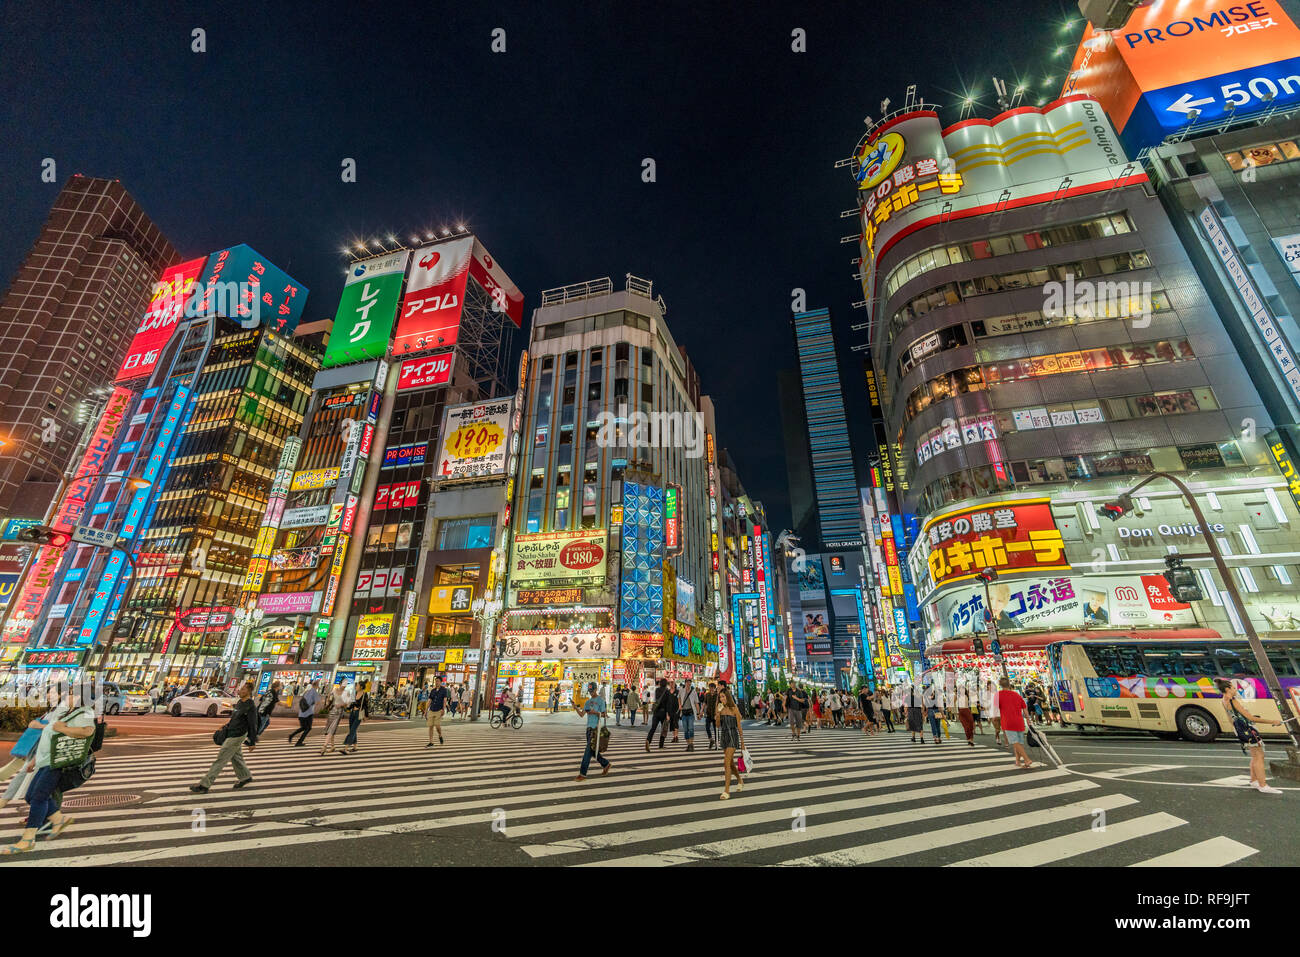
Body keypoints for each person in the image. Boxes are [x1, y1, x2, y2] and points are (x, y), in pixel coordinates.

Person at [2, 681, 95, 854]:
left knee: (38, 796)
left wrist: (63, 728)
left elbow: (88, 731)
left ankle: (28, 839)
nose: (67, 697)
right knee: (31, 795)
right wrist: (35, 760)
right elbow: (50, 737)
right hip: (45, 759)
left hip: (60, 762)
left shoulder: (85, 712)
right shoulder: (68, 712)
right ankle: (59, 819)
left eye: (71, 694)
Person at [1216, 677, 1285, 793]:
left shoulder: (1224, 700)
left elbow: (1230, 718)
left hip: (1241, 730)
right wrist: (1273, 721)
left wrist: (1236, 730)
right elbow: (1250, 718)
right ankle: (1263, 786)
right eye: (1233, 687)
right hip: (1249, 729)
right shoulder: (1233, 701)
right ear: (1227, 689)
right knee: (1259, 756)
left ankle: (1254, 781)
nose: (1235, 689)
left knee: (1255, 755)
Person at [191, 682, 258, 793]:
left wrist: (252, 741)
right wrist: (226, 726)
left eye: (242, 689)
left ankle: (204, 784)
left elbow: (252, 724)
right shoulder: (240, 702)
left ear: (248, 691)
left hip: (238, 735)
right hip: (231, 732)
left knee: (221, 759)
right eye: (240, 689)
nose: (239, 691)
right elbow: (235, 718)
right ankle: (245, 776)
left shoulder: (250, 706)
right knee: (236, 757)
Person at [574, 681, 612, 781]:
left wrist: (595, 713)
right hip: (588, 729)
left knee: (587, 752)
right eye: (590, 691)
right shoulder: (587, 702)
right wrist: (575, 708)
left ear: (596, 689)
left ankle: (582, 774)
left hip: (596, 730)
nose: (591, 692)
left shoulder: (600, 701)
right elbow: (582, 714)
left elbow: (604, 715)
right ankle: (606, 764)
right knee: (592, 751)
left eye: (592, 690)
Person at [997, 677, 1034, 769]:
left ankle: (1026, 759)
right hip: (1019, 721)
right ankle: (1017, 761)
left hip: (1008, 721)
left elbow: (995, 709)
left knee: (1014, 742)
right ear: (1009, 684)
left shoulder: (998, 695)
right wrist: (1028, 720)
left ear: (1000, 684)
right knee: (1018, 742)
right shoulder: (1017, 695)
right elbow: (1024, 708)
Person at [716, 684, 745, 800]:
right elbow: (718, 725)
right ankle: (739, 780)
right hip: (724, 736)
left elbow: (739, 726)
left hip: (733, 736)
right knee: (731, 763)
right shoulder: (720, 709)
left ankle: (726, 790)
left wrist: (742, 743)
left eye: (723, 697)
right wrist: (718, 714)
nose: (722, 699)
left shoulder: (734, 709)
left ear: (727, 696)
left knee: (726, 762)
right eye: (720, 697)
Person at [320, 680, 353, 755]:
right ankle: (332, 746)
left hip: (339, 712)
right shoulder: (334, 690)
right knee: (330, 728)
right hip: (332, 711)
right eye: (343, 684)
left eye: (346, 684)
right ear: (340, 684)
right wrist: (328, 700)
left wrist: (341, 704)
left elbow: (348, 703)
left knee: (331, 729)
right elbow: (329, 699)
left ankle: (324, 746)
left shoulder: (346, 693)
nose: (344, 686)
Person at [289, 679, 320, 747]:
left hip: (301, 713)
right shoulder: (315, 692)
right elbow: (317, 702)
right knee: (308, 728)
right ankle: (299, 742)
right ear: (317, 685)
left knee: (303, 727)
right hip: (308, 713)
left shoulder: (307, 692)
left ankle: (292, 735)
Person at [646, 678, 673, 751]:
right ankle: (661, 745)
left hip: (656, 712)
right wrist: (668, 714)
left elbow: (649, 695)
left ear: (660, 683)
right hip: (663, 713)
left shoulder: (656, 690)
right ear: (666, 684)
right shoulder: (667, 692)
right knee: (664, 729)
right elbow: (669, 704)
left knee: (653, 728)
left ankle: (648, 740)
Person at [343, 681, 369, 754]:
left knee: (352, 730)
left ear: (361, 686)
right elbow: (351, 704)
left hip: (358, 714)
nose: (356, 687)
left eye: (357, 685)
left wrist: (366, 716)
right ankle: (355, 747)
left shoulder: (364, 694)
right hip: (352, 713)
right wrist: (346, 708)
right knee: (352, 729)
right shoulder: (355, 693)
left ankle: (346, 748)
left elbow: (366, 706)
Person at [426, 676, 449, 747]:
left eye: (438, 681)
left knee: (437, 725)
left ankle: (440, 735)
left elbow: (445, 700)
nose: (436, 682)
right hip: (432, 709)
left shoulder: (444, 690)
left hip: (439, 710)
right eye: (436, 681)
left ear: (441, 682)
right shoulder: (433, 690)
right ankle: (431, 742)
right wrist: (426, 710)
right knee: (430, 726)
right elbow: (429, 700)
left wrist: (443, 709)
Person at [679, 681, 700, 751]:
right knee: (685, 730)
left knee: (691, 729)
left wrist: (698, 713)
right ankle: (688, 744)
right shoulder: (681, 690)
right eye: (687, 682)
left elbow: (696, 703)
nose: (688, 684)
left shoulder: (693, 692)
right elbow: (678, 698)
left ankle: (691, 744)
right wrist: (679, 705)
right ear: (685, 683)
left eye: (690, 682)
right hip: (684, 713)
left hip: (691, 713)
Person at [955, 680, 976, 747]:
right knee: (966, 727)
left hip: (967, 711)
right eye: (960, 689)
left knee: (971, 725)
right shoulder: (957, 696)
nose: (962, 690)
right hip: (961, 712)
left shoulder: (967, 695)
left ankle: (971, 740)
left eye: (963, 689)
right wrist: (956, 713)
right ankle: (969, 739)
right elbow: (953, 704)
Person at [984, 679, 1004, 746]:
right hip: (992, 713)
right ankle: (997, 737)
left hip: (1000, 712)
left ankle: (998, 736)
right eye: (989, 685)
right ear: (987, 686)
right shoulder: (986, 694)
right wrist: (987, 714)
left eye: (992, 685)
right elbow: (985, 705)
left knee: (1001, 728)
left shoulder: (997, 693)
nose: (991, 687)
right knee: (997, 729)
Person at [703, 681, 718, 749]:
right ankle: (711, 740)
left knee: (716, 729)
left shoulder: (718, 695)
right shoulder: (707, 694)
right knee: (707, 727)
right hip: (709, 714)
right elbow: (704, 703)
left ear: (715, 688)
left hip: (715, 714)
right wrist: (701, 712)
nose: (711, 689)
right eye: (710, 688)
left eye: (712, 688)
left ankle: (717, 744)